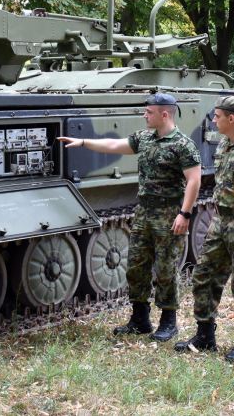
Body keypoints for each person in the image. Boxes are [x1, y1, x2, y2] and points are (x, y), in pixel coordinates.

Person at [58, 92, 201, 341]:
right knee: (136, 267)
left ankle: (169, 321)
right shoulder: (144, 138)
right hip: (144, 212)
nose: (145, 115)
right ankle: (140, 319)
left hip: (169, 213)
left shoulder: (183, 145)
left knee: (166, 268)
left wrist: (184, 214)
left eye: (149, 111)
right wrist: (82, 142)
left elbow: (194, 180)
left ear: (164, 114)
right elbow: (114, 145)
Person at [174, 96, 234, 363]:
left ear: (232, 119)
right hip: (220, 222)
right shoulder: (223, 144)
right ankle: (205, 336)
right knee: (203, 276)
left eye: (217, 116)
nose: (214, 121)